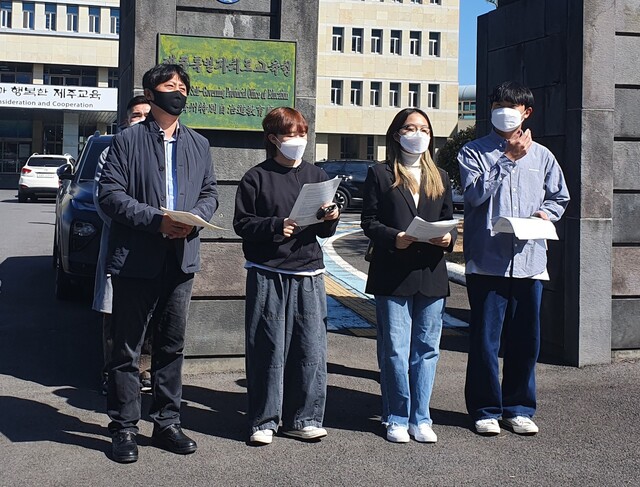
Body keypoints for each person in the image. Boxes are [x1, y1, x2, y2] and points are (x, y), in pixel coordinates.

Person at [98, 64, 218, 463]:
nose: (178, 91)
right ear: (150, 94)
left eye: (183, 86)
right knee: (127, 347)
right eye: (170, 85)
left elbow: (210, 192)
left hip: (181, 259)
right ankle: (124, 428)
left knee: (171, 344)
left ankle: (167, 421)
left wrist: (192, 218)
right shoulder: (126, 141)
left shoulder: (199, 143)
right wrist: (157, 220)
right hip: (137, 258)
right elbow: (110, 196)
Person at [457, 81, 569, 437]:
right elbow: (473, 196)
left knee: (525, 341)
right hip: (487, 261)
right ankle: (485, 409)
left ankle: (518, 407)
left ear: (526, 112)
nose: (504, 110)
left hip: (530, 261)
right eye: (498, 104)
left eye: (512, 105)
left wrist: (545, 215)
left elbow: (559, 197)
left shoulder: (544, 155)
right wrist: (507, 159)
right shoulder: (473, 152)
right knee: (485, 341)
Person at [233, 107, 340, 446]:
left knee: (310, 347)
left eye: (302, 133)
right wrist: (276, 225)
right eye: (291, 134)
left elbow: (325, 231)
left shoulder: (318, 175)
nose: (298, 141)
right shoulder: (256, 177)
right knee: (267, 346)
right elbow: (242, 224)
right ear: (273, 138)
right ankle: (264, 421)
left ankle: (305, 418)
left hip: (309, 268)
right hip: (268, 270)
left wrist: (331, 216)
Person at [361, 108, 456, 444]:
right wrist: (394, 237)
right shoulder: (380, 173)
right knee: (394, 349)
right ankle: (397, 417)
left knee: (427, 349)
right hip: (393, 272)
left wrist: (449, 239)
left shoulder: (440, 176)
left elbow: (448, 219)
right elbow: (368, 221)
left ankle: (421, 417)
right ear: (397, 134)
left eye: (424, 129)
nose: (418, 133)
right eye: (410, 128)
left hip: (431, 272)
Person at [93, 95, 151, 396]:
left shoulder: (161, 152)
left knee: (151, 317)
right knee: (114, 318)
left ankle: (144, 371)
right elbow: (105, 203)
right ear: (125, 120)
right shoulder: (110, 152)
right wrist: (143, 222)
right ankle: (110, 373)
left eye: (146, 115)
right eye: (135, 115)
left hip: (156, 246)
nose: (140, 119)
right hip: (123, 244)